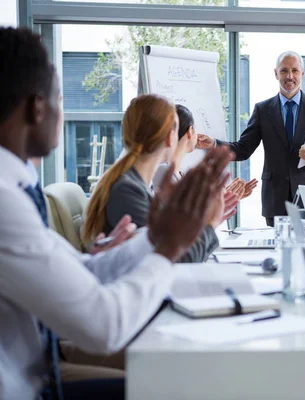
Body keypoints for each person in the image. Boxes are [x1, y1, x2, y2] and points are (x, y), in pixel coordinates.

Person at [0, 26, 231, 399]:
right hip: (32, 384)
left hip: (41, 363)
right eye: (61, 97)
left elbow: (81, 270)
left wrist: (155, 236)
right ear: (36, 107)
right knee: (183, 384)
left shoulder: (15, 188)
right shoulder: (5, 202)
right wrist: (167, 247)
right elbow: (103, 325)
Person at [82, 95, 237, 263]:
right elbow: (177, 260)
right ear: (171, 137)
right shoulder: (127, 191)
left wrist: (204, 222)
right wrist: (210, 224)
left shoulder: (134, 184)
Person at [196, 51, 305, 226]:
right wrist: (214, 144)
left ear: (303, 73)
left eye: (295, 70)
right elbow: (243, 148)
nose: (289, 76)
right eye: (284, 70)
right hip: (275, 196)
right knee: (275, 247)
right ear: (276, 73)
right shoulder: (263, 110)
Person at [153, 104, 258, 199]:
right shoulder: (166, 172)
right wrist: (220, 199)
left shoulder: (171, 171)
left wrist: (223, 197)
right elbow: (188, 217)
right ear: (190, 132)